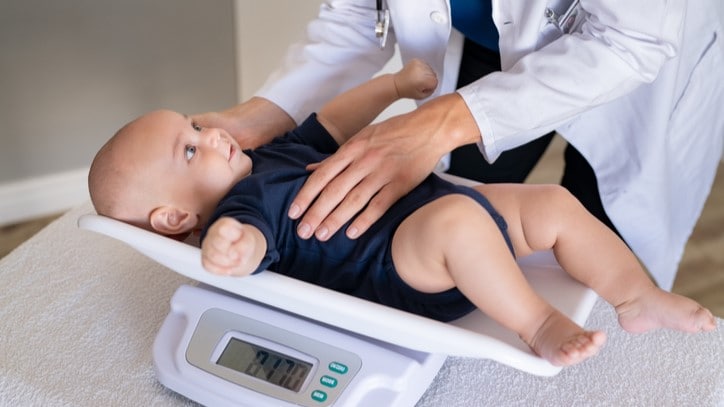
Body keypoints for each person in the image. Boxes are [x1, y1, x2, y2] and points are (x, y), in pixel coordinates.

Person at [88, 60, 715, 368]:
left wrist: (391, 88)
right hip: (400, 265)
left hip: (432, 205)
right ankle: (536, 325)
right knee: (460, 227)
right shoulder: (242, 205)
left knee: (552, 203)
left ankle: (635, 296)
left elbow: (330, 122)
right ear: (173, 220)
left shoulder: (268, 156)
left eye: (195, 123)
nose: (212, 133)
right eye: (191, 148)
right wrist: (228, 244)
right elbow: (250, 246)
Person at [194, 0, 724, 291]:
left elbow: (632, 39)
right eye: (189, 145)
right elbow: (360, 14)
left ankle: (624, 310)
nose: (204, 139)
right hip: (482, 39)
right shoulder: (255, 194)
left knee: (606, 237)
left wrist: (437, 117)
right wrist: (264, 113)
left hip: (635, 63)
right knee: (476, 215)